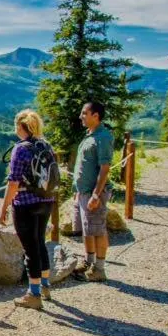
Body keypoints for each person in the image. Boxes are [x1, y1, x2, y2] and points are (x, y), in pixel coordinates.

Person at [0, 109, 57, 310]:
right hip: (46, 200)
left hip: (25, 202)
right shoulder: (46, 145)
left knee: (29, 248)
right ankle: (45, 286)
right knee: (40, 241)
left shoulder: (20, 149)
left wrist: (4, 207)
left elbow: (13, 182)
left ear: (20, 127)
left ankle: (33, 295)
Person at [72, 101, 114, 282]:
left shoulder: (103, 138)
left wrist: (96, 194)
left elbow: (105, 168)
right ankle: (89, 262)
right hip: (84, 192)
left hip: (94, 193)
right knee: (87, 230)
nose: (81, 116)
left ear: (95, 115)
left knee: (97, 230)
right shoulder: (90, 135)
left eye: (84, 113)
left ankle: (100, 269)